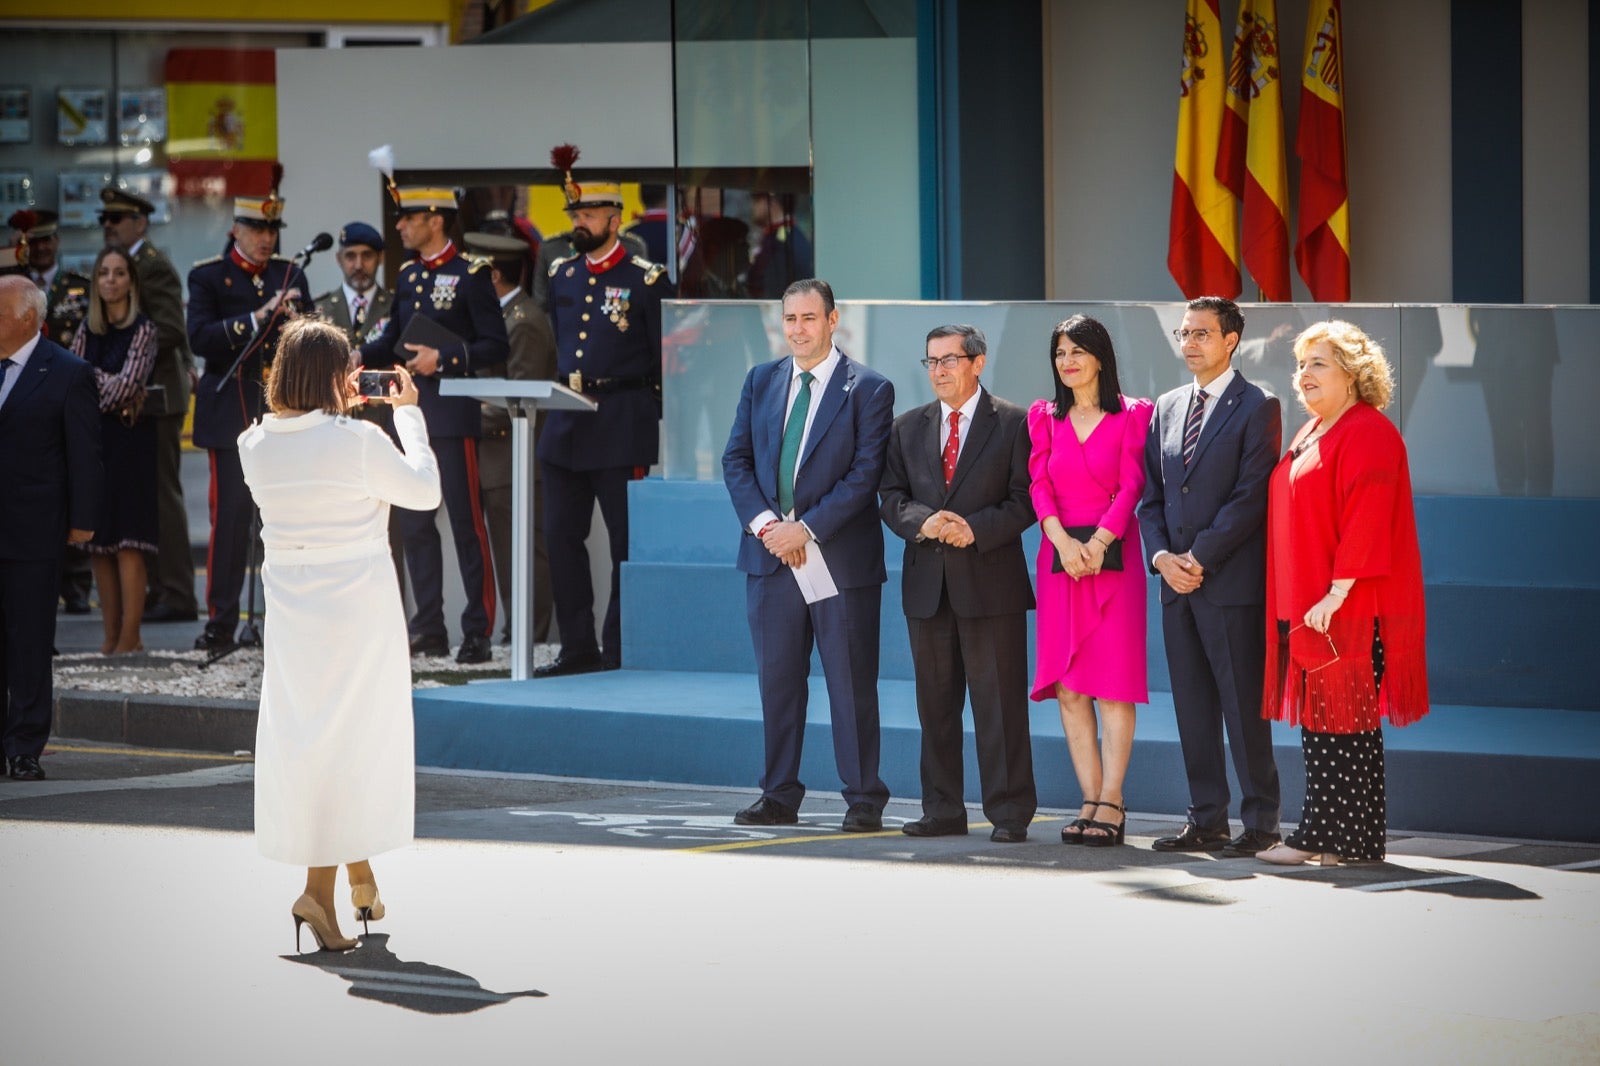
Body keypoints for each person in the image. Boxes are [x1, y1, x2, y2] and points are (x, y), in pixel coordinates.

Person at [238, 318, 440, 952]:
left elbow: (305, 449)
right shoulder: (359, 439)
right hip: (359, 611)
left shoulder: (253, 444)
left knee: (315, 737)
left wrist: (337, 411)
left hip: (294, 615)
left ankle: (360, 880)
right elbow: (425, 492)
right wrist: (406, 415)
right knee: (350, 742)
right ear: (333, 376)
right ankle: (319, 895)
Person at [722, 278, 894, 832]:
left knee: (850, 683)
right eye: (789, 319)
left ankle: (864, 798)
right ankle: (778, 795)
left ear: (833, 320)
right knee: (778, 684)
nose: (797, 330)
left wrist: (808, 530)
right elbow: (736, 461)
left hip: (838, 561)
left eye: (809, 318)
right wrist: (770, 526)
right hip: (771, 560)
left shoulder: (868, 388)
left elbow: (865, 474)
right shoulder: (760, 380)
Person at [1257, 321, 1430, 866]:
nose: (1303, 375)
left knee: (1345, 727)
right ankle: (1347, 842)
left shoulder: (1368, 430)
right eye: (1301, 364)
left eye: (1319, 364)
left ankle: (1325, 838)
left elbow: (1369, 515)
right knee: (1323, 728)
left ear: (1353, 375)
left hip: (1346, 610)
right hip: (1310, 607)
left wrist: (1336, 593)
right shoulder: (1312, 431)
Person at [1137, 295, 1283, 857]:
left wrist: (1198, 558)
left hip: (1227, 586)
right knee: (1193, 709)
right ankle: (1206, 819)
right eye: (1184, 333)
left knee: (1244, 710)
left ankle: (1262, 824)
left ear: (1231, 340)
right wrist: (1161, 560)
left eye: (1202, 333)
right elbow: (1151, 497)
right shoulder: (1167, 406)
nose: (1190, 342)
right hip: (1176, 588)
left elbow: (1251, 497)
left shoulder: (1258, 405)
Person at [880, 324, 1037, 843]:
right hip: (928, 588)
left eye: (950, 360)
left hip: (991, 586)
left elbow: (1026, 499)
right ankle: (943, 810)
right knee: (936, 709)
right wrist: (923, 522)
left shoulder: (1015, 423)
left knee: (1000, 707)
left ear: (978, 362)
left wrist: (976, 528)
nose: (940, 370)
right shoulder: (907, 427)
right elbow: (890, 496)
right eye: (931, 361)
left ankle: (1010, 813)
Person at [535, 146, 671, 676]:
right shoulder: (562, 274)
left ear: (615, 219)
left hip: (622, 420)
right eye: (575, 215)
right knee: (561, 539)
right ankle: (577, 648)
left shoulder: (647, 278)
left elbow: (669, 355)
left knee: (623, 546)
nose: (580, 223)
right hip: (565, 421)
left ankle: (616, 648)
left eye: (589, 215)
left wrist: (651, 412)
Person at [360, 185, 508, 664]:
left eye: (408, 219)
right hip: (407, 415)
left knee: (467, 526)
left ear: (436, 220)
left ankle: (478, 629)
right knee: (416, 524)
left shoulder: (472, 274)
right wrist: (352, 356)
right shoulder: (406, 276)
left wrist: (444, 357)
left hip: (450, 413)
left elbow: (494, 346)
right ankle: (428, 627)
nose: (400, 227)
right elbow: (393, 338)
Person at [1029, 315, 1154, 846]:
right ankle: (1088, 798)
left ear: (1101, 356)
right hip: (1059, 560)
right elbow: (1038, 483)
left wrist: (1099, 544)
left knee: (1112, 686)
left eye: (1078, 350)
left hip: (1114, 560)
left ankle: (1114, 802)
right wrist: (1061, 542)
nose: (1068, 361)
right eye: (1060, 353)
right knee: (1070, 688)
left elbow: (1132, 485)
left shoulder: (1134, 415)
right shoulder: (1042, 417)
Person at [187, 185, 315, 651]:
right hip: (230, 408)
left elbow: (311, 337)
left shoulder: (290, 273)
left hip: (281, 408)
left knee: (286, 516)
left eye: (272, 229)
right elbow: (199, 338)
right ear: (235, 230)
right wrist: (258, 315)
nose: (266, 238)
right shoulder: (209, 278)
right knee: (232, 518)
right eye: (258, 228)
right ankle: (221, 620)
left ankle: (286, 616)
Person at [0, 276, 101, 781]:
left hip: (35, 530)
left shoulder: (68, 372)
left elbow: (83, 454)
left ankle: (24, 746)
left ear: (26, 319)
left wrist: (82, 524)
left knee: (31, 641)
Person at [100, 187, 199, 626]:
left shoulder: (153, 267)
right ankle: (160, 589)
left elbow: (171, 330)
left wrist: (124, 351)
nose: (110, 226)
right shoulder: (120, 268)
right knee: (144, 499)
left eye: (118, 219)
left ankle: (178, 593)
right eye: (106, 219)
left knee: (162, 497)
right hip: (136, 397)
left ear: (140, 223)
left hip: (156, 396)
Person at [463, 230, 556, 643]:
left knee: (520, 550)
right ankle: (513, 630)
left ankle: (527, 635)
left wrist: (463, 411)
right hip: (495, 456)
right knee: (504, 550)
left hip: (514, 455)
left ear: (494, 275)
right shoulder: (500, 316)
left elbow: (521, 401)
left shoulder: (525, 322)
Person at [70, 247, 160, 655]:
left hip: (130, 442)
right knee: (98, 542)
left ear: (131, 281)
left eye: (119, 273)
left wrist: (92, 383)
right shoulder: (86, 331)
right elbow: (71, 385)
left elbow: (128, 386)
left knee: (129, 541)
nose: (110, 280)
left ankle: (130, 638)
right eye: (103, 272)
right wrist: (102, 384)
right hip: (94, 443)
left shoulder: (143, 329)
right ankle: (109, 639)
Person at [314, 222, 393, 347]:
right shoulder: (320, 309)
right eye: (350, 256)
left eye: (367, 256)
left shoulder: (394, 306)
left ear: (381, 258)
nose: (358, 266)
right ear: (339, 259)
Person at [745, 192, 814, 301]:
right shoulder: (779, 238)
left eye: (757, 199)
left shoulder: (783, 242)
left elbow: (773, 289)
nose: (753, 206)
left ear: (772, 202)